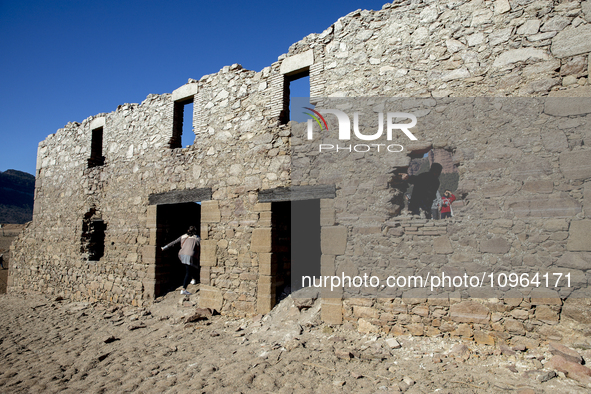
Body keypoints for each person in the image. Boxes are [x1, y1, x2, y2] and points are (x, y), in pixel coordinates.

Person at [161, 226, 200, 295]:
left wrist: (164, 247)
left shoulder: (183, 236)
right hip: (190, 255)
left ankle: (193, 279)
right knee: (189, 271)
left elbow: (174, 242)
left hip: (181, 255)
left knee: (190, 267)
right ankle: (184, 289)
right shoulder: (196, 238)